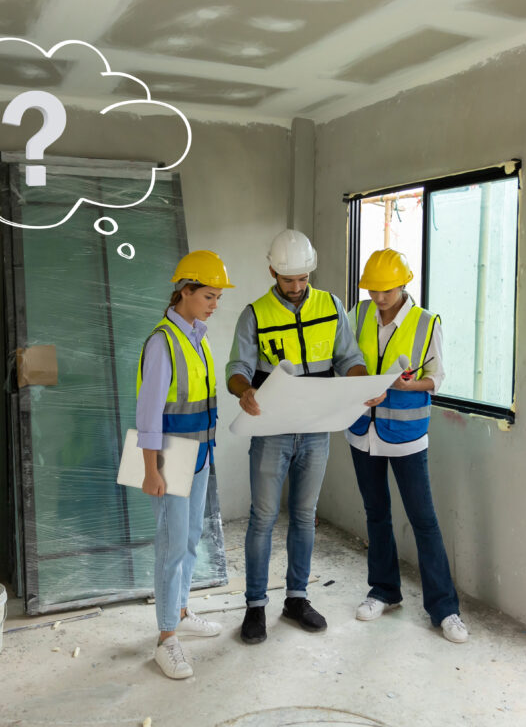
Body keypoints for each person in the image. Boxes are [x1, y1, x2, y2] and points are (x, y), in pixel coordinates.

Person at [226, 229, 370, 644]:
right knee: (263, 518)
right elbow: (237, 366)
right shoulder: (254, 314)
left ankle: (296, 598)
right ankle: (255, 607)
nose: (297, 287)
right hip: (271, 432)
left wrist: (363, 385)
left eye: (304, 278)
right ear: (272, 271)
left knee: (305, 517)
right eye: (289, 279)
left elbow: (350, 358)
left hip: (316, 431)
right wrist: (244, 390)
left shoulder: (331, 305)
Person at [345, 248, 468, 643]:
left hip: (407, 436)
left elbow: (437, 377)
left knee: (424, 520)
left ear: (403, 283)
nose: (379, 298)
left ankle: (445, 609)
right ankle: (383, 591)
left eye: (386, 290)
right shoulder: (360, 314)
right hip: (363, 431)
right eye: (374, 290)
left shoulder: (426, 323)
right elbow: (346, 358)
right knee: (376, 513)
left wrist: (406, 385)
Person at [136, 250, 234, 679]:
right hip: (172, 457)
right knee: (172, 545)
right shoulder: (162, 341)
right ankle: (166, 637)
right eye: (209, 295)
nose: (215, 303)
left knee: (191, 536)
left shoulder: (198, 336)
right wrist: (151, 469)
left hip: (199, 454)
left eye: (217, 297)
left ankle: (180, 610)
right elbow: (149, 412)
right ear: (185, 292)